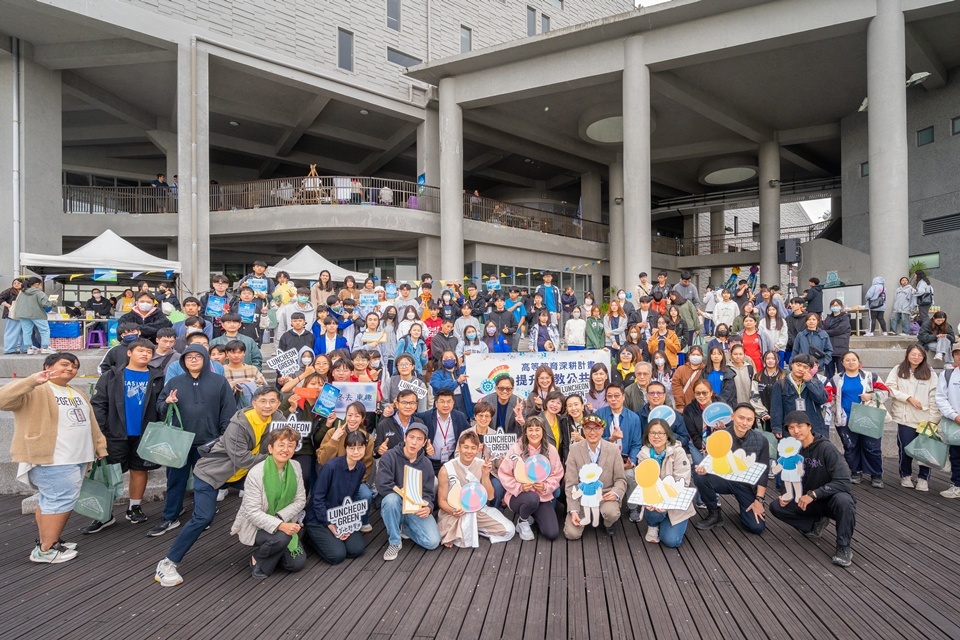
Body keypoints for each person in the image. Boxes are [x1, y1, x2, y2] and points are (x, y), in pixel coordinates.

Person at [155, 386, 285, 586]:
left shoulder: (279, 419)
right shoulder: (240, 423)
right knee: (203, 517)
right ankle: (168, 562)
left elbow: (284, 442)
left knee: (275, 495)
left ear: (278, 403)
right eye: (263, 401)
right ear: (254, 402)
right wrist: (274, 459)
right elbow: (241, 458)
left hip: (243, 474)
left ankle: (268, 550)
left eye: (272, 401)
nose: (268, 405)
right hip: (213, 473)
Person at [0, 353, 107, 563]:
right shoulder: (36, 389)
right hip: (53, 458)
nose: (70, 369)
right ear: (48, 366)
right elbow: (3, 400)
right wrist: (31, 380)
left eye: (74, 366)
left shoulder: (75, 392)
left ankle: (48, 540)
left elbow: (90, 422)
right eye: (64, 364)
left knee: (50, 500)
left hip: (77, 456)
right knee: (59, 500)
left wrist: (99, 446)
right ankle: (46, 550)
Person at [149, 346, 236, 536]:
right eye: (189, 357)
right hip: (179, 441)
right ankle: (170, 517)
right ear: (183, 361)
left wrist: (222, 437)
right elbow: (160, 407)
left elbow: (228, 411)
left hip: (209, 441)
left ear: (205, 359)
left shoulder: (219, 382)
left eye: (198, 356)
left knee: (205, 482)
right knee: (175, 480)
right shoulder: (175, 381)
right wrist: (167, 403)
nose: (194, 360)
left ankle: (202, 516)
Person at [83, 339, 164, 534]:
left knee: (139, 470)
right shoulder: (111, 376)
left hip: (145, 433)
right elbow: (99, 404)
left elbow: (161, 405)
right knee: (109, 475)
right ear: (129, 353)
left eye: (148, 352)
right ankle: (104, 514)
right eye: (140, 351)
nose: (145, 354)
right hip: (114, 433)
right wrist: (99, 433)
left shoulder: (158, 377)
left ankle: (134, 507)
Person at [769, 410, 856, 567]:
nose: (796, 431)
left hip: (829, 499)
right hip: (807, 501)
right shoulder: (791, 450)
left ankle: (843, 547)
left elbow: (843, 481)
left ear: (809, 426)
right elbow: (785, 479)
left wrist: (814, 494)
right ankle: (814, 524)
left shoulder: (826, 448)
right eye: (791, 428)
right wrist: (785, 495)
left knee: (845, 501)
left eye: (800, 426)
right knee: (776, 506)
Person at [229, 427, 306, 580]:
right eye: (281, 445)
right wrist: (280, 525)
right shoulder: (256, 473)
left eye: (290, 446)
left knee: (296, 564)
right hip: (257, 526)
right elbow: (251, 512)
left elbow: (300, 500)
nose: (285, 449)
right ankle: (258, 559)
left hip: (283, 519)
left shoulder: (296, 467)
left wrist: (280, 518)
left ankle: (273, 550)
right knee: (282, 538)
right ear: (271, 448)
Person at [692, 403, 769, 534]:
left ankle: (746, 508)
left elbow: (763, 472)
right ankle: (714, 513)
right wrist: (704, 469)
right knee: (700, 477)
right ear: (733, 417)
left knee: (756, 527)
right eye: (741, 418)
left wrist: (759, 500)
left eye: (749, 419)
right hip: (725, 478)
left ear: (753, 421)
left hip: (747, 485)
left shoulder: (761, 440)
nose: (744, 423)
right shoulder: (722, 436)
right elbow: (711, 461)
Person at [437, 431, 515, 547]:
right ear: (459, 447)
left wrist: (485, 475)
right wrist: (454, 511)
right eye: (466, 447)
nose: (469, 451)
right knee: (449, 536)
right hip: (454, 512)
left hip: (477, 510)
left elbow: (490, 496)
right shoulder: (446, 469)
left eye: (473, 448)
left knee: (509, 530)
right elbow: (441, 501)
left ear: (478, 449)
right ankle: (464, 528)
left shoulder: (481, 464)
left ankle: (474, 528)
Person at [376, 422, 441, 560]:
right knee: (391, 500)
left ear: (424, 443)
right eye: (411, 437)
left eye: (419, 439)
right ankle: (394, 541)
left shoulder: (426, 464)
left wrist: (428, 507)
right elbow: (382, 484)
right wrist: (404, 494)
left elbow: (429, 493)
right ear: (405, 437)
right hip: (396, 504)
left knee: (433, 542)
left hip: (414, 507)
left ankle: (405, 527)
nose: (414, 442)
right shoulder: (390, 456)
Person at [305, 430, 370, 564]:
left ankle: (327, 537)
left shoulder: (361, 468)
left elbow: (350, 499)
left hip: (341, 515)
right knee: (337, 555)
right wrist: (329, 524)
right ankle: (310, 537)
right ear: (346, 448)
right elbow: (317, 498)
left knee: (356, 549)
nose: (356, 451)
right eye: (352, 448)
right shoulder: (331, 467)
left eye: (360, 447)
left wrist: (346, 524)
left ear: (365, 447)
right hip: (319, 517)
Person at [826, 351, 889, 488]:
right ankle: (856, 471)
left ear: (859, 362)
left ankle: (876, 475)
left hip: (868, 417)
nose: (851, 362)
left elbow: (885, 392)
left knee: (872, 447)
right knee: (850, 447)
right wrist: (835, 410)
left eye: (853, 360)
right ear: (842, 363)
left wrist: (871, 396)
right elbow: (828, 397)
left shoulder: (871, 377)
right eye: (847, 360)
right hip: (845, 419)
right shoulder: (836, 379)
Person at [498, 416, 564, 541]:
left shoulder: (551, 450)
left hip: (542, 496)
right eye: (530, 429)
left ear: (543, 431)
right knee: (531, 498)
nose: (534, 433)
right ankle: (523, 521)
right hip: (520, 496)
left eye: (537, 430)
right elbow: (504, 473)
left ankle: (531, 513)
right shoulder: (516, 449)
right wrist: (520, 487)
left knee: (552, 533)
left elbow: (557, 473)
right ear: (525, 431)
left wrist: (546, 486)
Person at [885, 345, 940, 493]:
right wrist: (908, 398)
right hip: (904, 418)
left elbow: (935, 396)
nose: (916, 357)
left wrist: (934, 419)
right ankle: (905, 475)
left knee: (925, 450)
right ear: (907, 354)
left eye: (919, 355)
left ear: (924, 356)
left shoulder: (930, 372)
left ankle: (923, 478)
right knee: (905, 448)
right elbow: (889, 388)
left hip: (925, 419)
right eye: (913, 354)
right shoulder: (898, 369)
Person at [562, 414, 626, 539]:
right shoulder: (574, 449)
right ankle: (583, 515)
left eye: (596, 428)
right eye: (588, 428)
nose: (592, 432)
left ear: (602, 430)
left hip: (605, 495)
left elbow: (620, 479)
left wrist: (615, 493)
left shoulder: (613, 449)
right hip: (582, 496)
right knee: (572, 534)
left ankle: (608, 523)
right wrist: (574, 510)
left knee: (611, 513)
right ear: (583, 430)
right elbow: (571, 484)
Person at [636, 418, 695, 547]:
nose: (656, 436)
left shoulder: (678, 452)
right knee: (652, 511)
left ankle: (667, 522)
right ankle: (653, 525)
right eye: (652, 433)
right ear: (647, 435)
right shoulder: (643, 454)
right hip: (655, 500)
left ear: (667, 435)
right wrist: (649, 500)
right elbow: (643, 483)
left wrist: (666, 503)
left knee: (671, 541)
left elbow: (682, 482)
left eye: (660, 433)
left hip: (675, 501)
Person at [596, 384, 642, 516]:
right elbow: (594, 440)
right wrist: (611, 439)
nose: (613, 399)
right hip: (603, 459)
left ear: (623, 397)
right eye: (609, 396)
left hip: (625, 458)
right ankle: (602, 505)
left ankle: (633, 507)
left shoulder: (633, 418)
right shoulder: (600, 414)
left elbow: (636, 444)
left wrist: (632, 461)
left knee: (629, 476)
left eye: (617, 396)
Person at [770, 354, 829, 438]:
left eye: (805, 367)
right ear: (792, 365)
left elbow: (821, 399)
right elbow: (776, 407)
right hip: (790, 428)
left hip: (813, 427)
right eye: (798, 365)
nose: (801, 369)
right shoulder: (781, 384)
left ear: (810, 369)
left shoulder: (816, 382)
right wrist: (777, 427)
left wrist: (809, 383)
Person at [418, 388, 471, 475]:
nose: (445, 405)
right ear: (436, 403)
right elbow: (410, 416)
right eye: (442, 401)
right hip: (429, 462)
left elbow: (469, 434)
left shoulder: (459, 417)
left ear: (453, 403)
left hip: (450, 462)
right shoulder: (426, 416)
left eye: (449, 401)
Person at [936, 343, 960, 499]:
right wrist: (955, 415)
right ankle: (957, 485)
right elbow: (941, 398)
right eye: (957, 353)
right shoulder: (947, 374)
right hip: (954, 422)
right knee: (956, 456)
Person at [15, 277, 53, 354]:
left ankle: (29, 348)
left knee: (26, 332)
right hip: (37, 314)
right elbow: (45, 304)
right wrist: (53, 302)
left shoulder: (22, 292)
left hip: (23, 314)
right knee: (44, 330)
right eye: (40, 284)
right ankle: (45, 347)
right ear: (36, 284)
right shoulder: (39, 293)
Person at [822, 299, 852, 379]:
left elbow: (839, 330)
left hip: (840, 348)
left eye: (837, 305)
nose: (835, 307)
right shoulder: (828, 318)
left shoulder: (845, 317)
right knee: (828, 373)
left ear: (841, 306)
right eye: (833, 305)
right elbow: (823, 329)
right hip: (829, 348)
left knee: (841, 372)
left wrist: (826, 332)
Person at [672, 345, 705, 412]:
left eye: (698, 355)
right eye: (693, 354)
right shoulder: (681, 369)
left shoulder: (706, 370)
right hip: (685, 407)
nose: (695, 356)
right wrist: (680, 405)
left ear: (702, 356)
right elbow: (676, 387)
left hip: (702, 407)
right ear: (689, 355)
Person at [759, 304, 788, 369]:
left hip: (779, 349)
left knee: (779, 368)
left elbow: (784, 335)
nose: (771, 311)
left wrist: (778, 345)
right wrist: (768, 346)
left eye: (773, 309)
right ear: (767, 311)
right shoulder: (762, 322)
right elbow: (761, 335)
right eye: (769, 310)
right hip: (767, 349)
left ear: (777, 310)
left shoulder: (782, 321)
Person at [1, 278, 23, 354]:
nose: (16, 284)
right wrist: (8, 305)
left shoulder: (23, 291)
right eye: (15, 283)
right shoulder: (9, 291)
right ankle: (9, 349)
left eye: (18, 283)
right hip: (11, 314)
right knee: (11, 331)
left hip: (21, 314)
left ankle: (19, 348)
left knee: (21, 332)